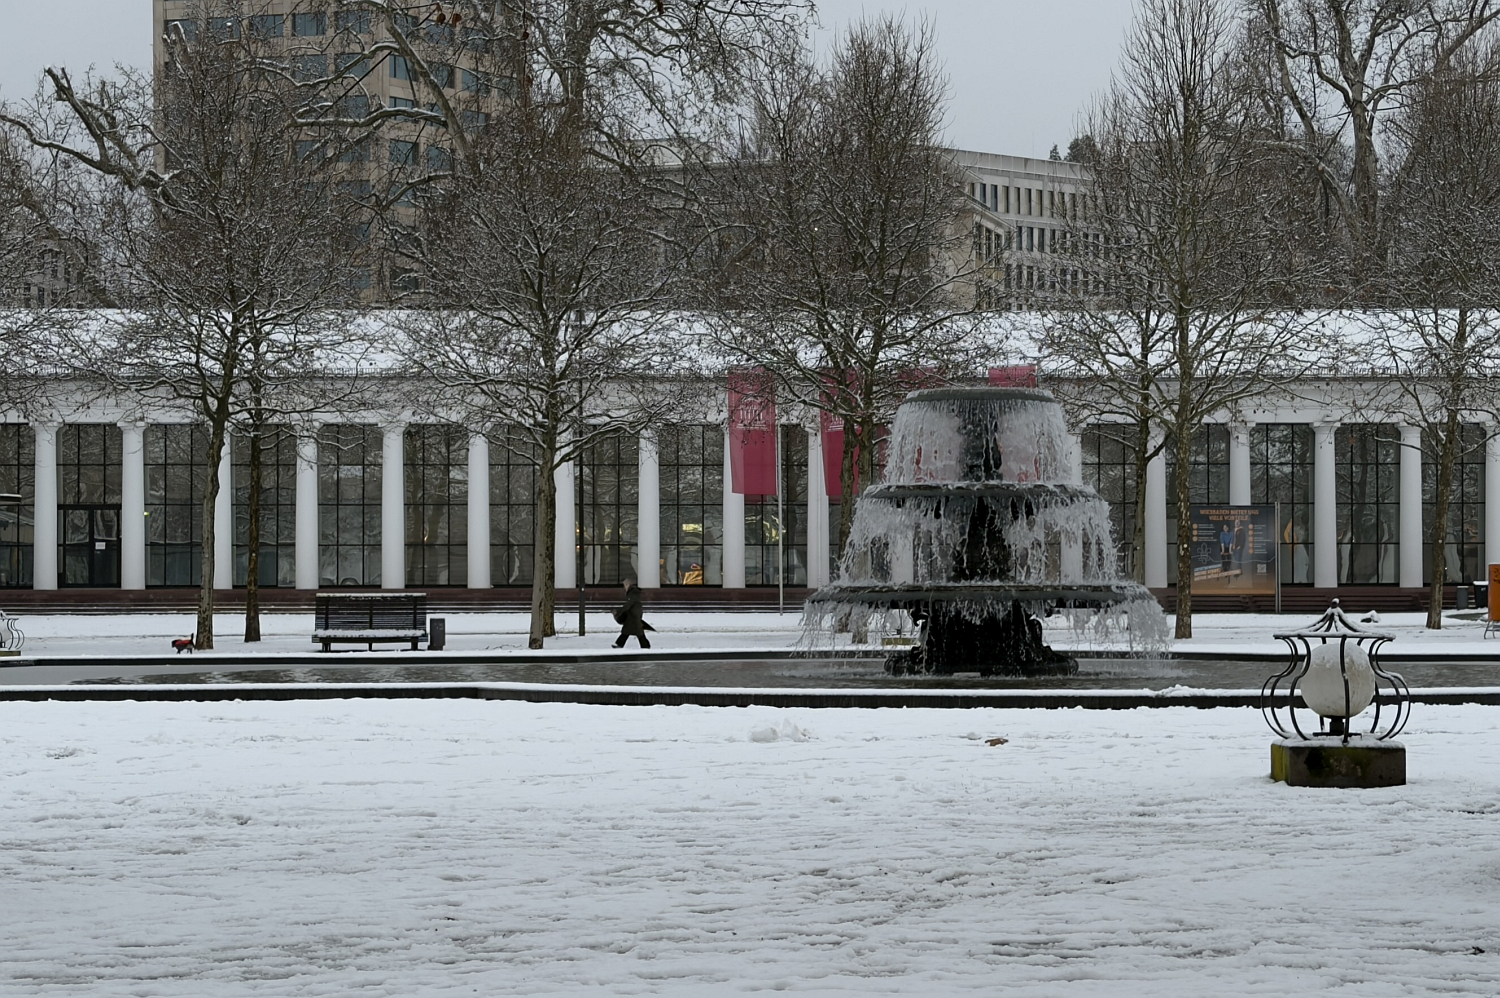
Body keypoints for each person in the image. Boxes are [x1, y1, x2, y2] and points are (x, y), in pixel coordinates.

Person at [612, 578, 651, 649]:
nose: (624, 587)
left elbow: (628, 604)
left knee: (632, 632)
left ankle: (645, 646)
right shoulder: (633, 593)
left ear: (628, 585)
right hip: (633, 616)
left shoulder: (633, 594)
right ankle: (645, 646)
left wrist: (619, 611)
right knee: (632, 632)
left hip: (633, 616)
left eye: (625, 585)